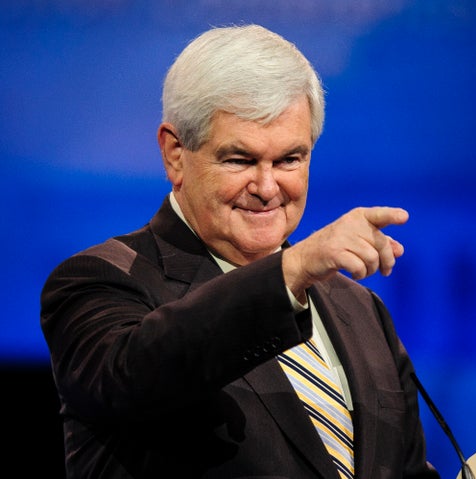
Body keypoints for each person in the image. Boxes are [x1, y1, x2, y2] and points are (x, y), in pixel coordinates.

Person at [40, 24, 440, 479]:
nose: (268, 187)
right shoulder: (99, 281)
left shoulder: (361, 310)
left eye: (290, 159)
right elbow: (136, 372)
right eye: (240, 160)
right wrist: (290, 272)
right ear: (175, 153)